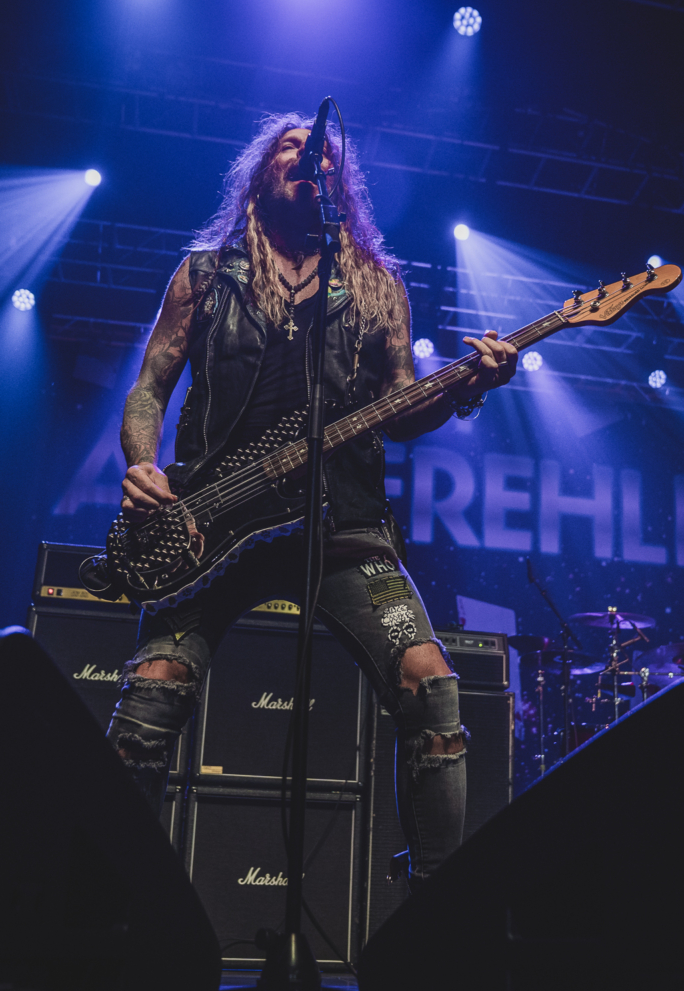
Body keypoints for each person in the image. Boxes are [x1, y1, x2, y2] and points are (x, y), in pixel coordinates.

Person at [111, 112, 518, 887]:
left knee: (431, 684)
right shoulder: (205, 273)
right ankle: (114, 903)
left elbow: (402, 409)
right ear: (262, 171)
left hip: (344, 522)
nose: (308, 155)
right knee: (150, 696)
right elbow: (150, 386)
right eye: (290, 146)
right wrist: (144, 465)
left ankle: (437, 917)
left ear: (341, 182)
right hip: (210, 520)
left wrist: (468, 387)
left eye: (322, 151)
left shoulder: (376, 282)